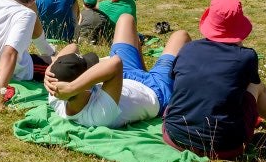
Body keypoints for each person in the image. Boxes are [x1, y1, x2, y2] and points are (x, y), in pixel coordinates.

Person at [163, 0, 266, 159]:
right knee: (257, 86)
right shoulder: (246, 57)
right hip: (225, 148)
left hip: (174, 137)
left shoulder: (188, 49)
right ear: (240, 28)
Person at [45, 13, 190, 128]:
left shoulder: (57, 98)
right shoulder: (97, 116)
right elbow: (115, 63)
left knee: (125, 19)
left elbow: (72, 47)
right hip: (157, 90)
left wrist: (51, 69)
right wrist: (71, 87)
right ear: (84, 84)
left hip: (122, 77)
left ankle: (144, 68)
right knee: (180, 35)